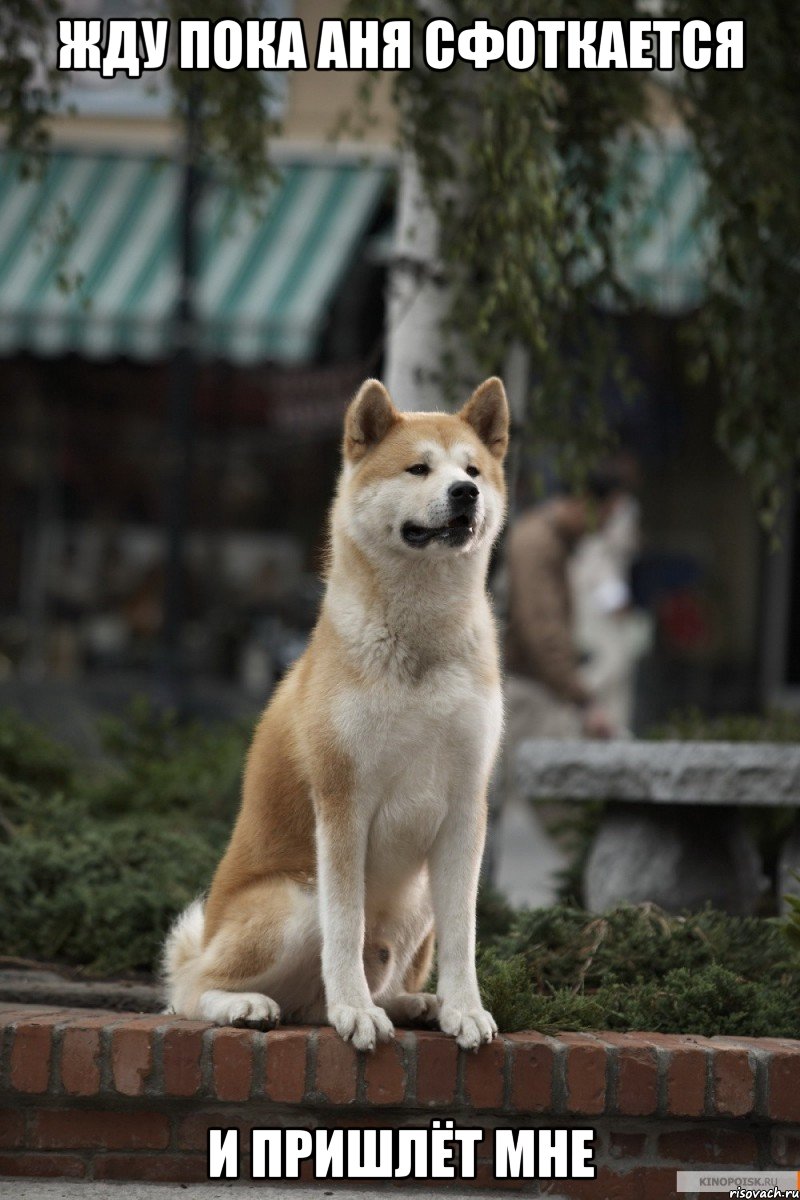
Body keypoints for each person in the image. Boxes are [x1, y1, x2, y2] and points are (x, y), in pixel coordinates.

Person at [504, 470, 627, 743]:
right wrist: (583, 701)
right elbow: (542, 630)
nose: (605, 527)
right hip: (527, 691)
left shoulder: (551, 541)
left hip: (537, 687)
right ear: (586, 502)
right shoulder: (538, 544)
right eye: (606, 515)